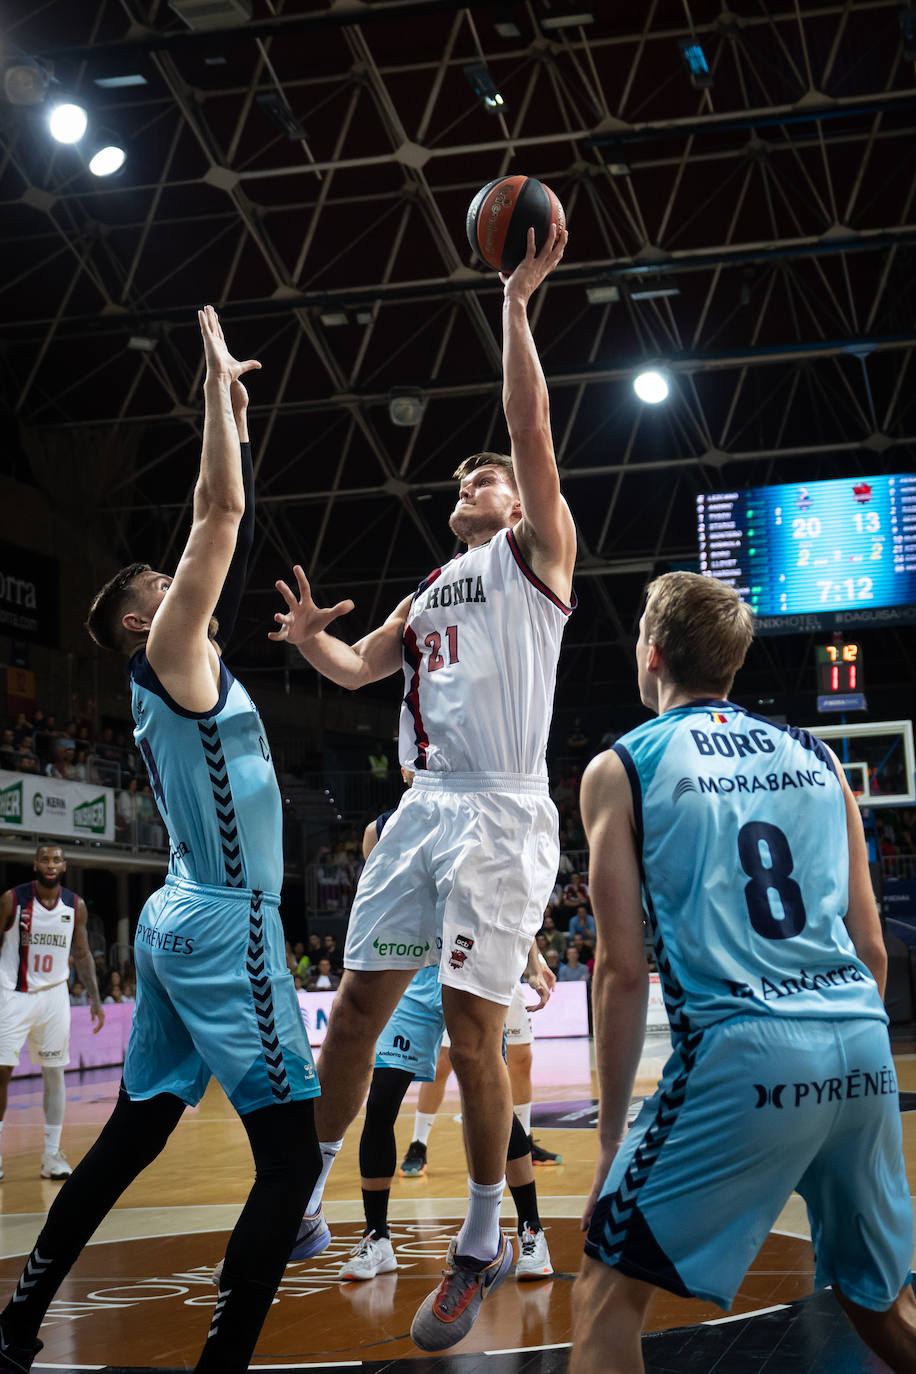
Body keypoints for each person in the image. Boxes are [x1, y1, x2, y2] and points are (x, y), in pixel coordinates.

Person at [0, 308, 323, 1374]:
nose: (173, 579)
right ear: (144, 621)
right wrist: (213, 395)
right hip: (224, 919)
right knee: (288, 1156)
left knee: (133, 1135)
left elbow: (220, 512)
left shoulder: (180, 666)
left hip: (183, 921)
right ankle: (222, 1365)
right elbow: (219, 510)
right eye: (159, 583)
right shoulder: (173, 654)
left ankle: (15, 1319)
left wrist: (233, 416)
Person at [270, 223, 574, 1351]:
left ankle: (482, 1238)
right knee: (353, 1008)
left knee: (469, 1029)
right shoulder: (433, 586)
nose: (475, 480)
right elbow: (358, 668)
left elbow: (530, 424)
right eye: (467, 479)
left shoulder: (537, 556)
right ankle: (298, 1197)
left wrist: (513, 305)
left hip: (500, 807)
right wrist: (308, 642)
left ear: (515, 501)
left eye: (486, 476)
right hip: (423, 810)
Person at [569, 571, 916, 1374]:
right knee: (880, 1302)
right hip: (861, 1051)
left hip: (744, 1053)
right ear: (730, 664)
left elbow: (622, 971)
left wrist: (612, 1143)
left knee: (602, 1298)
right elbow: (873, 946)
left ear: (650, 655)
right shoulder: (820, 759)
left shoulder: (621, 767)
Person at [339, 809, 555, 1284]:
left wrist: (533, 960)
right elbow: (380, 907)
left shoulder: (479, 809)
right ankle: (377, 1238)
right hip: (412, 976)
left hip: (471, 969)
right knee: (380, 1104)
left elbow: (509, 895)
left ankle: (531, 1230)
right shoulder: (379, 830)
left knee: (492, 1101)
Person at [0, 843, 104, 1182]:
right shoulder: (12, 900)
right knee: (1, 1073)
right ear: (35, 865)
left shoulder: (76, 905)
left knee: (55, 1073)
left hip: (55, 997)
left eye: (56, 859)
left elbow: (83, 953)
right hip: (12, 995)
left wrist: (95, 997)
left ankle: (51, 1155)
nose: (50, 864)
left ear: (64, 866)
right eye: (44, 859)